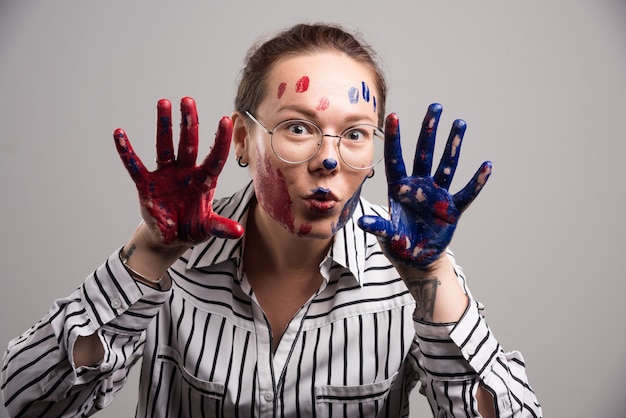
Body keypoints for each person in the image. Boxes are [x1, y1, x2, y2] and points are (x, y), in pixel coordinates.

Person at [1, 23, 542, 417]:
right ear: (242, 137)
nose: (329, 159)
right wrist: (149, 252)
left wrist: (431, 276)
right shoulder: (177, 263)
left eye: (354, 134)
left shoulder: (409, 272)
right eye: (299, 128)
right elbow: (21, 405)